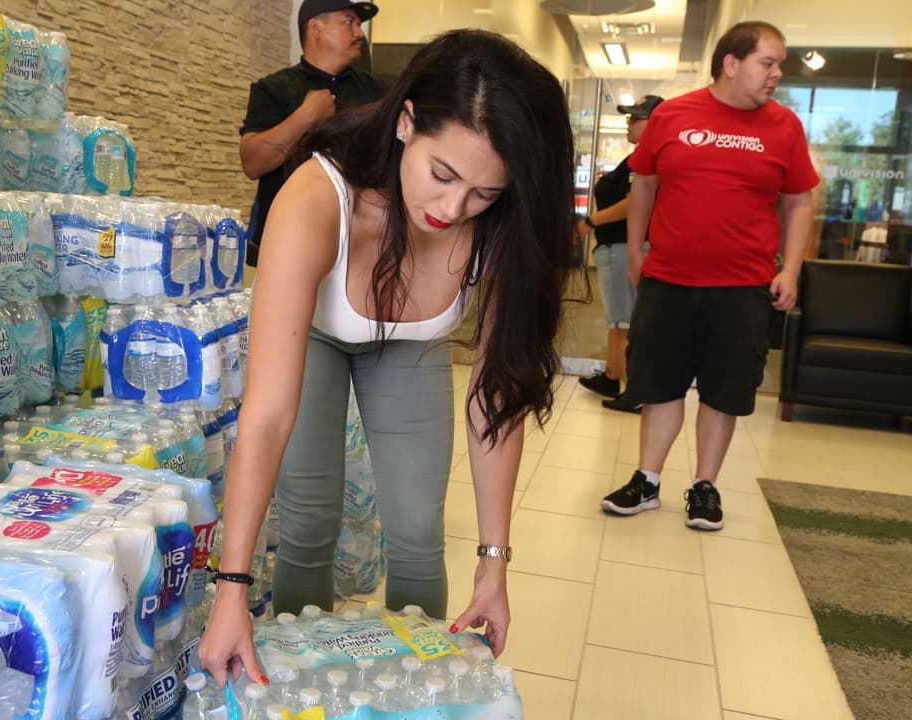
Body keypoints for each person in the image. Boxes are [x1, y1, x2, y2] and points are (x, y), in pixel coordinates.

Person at [199, 29, 574, 688]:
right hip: (313, 335)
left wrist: (495, 562)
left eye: (483, 193)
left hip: (412, 343)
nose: (453, 209)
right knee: (313, 518)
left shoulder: (498, 222)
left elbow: (497, 393)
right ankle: (297, 688)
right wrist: (232, 587)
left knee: (417, 528)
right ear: (406, 123)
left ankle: (413, 690)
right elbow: (265, 417)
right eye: (443, 174)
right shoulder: (316, 199)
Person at [601, 21, 818, 530]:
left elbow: (799, 202)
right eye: (769, 63)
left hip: (743, 286)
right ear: (731, 62)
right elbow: (645, 186)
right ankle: (646, 481)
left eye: (779, 65)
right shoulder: (674, 115)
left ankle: (705, 488)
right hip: (669, 279)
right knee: (659, 384)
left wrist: (791, 269)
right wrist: (635, 251)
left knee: (723, 390)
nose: (777, 75)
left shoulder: (784, 126)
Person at [239, 0, 385, 267]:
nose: (360, 33)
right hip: (283, 248)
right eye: (349, 22)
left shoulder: (378, 94)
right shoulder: (273, 89)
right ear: (316, 28)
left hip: (358, 252)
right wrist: (306, 117)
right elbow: (252, 162)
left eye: (359, 25)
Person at [575, 94, 664, 414]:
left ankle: (634, 390)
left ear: (655, 123)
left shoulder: (650, 159)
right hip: (618, 247)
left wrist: (590, 221)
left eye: (636, 118)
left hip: (626, 247)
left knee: (625, 321)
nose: (629, 123)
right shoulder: (637, 159)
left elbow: (634, 204)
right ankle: (613, 376)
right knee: (619, 320)